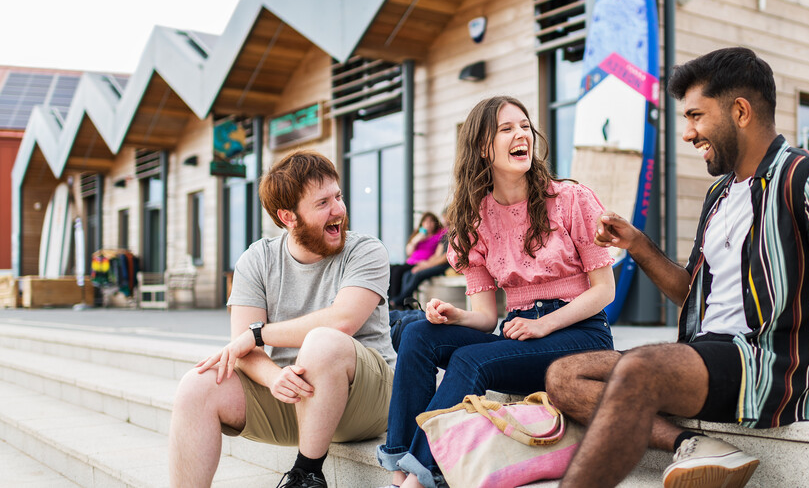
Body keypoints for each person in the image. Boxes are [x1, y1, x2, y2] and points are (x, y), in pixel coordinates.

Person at [545, 47, 809, 488]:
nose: (688, 134)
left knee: (638, 370)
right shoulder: (720, 195)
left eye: (695, 116)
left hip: (775, 369)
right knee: (565, 375)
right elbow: (693, 294)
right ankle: (692, 445)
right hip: (712, 358)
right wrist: (637, 244)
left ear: (741, 111)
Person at [377, 95, 617, 488]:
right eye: (506, 129)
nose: (521, 134)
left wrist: (545, 325)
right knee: (419, 333)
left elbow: (604, 290)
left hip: (581, 335)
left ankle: (420, 479)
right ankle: (401, 465)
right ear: (483, 147)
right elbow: (487, 317)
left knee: (471, 361)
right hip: (519, 339)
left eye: (524, 126)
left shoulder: (572, 199)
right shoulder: (474, 220)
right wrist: (455, 317)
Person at [168, 150, 396, 488]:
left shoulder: (366, 250)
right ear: (288, 216)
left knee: (323, 340)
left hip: (367, 399)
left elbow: (343, 319)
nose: (338, 210)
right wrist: (275, 378)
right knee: (196, 384)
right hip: (296, 400)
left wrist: (259, 335)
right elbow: (241, 351)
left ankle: (306, 475)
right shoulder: (257, 260)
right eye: (322, 203)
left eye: (338, 196)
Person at [388, 208, 453, 309]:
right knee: (404, 273)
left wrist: (425, 265)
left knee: (415, 274)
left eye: (447, 219)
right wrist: (425, 264)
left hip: (446, 264)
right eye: (445, 219)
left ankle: (397, 301)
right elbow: (437, 254)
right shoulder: (445, 234)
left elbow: (445, 257)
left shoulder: (447, 233)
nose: (445, 222)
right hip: (424, 262)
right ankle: (403, 304)